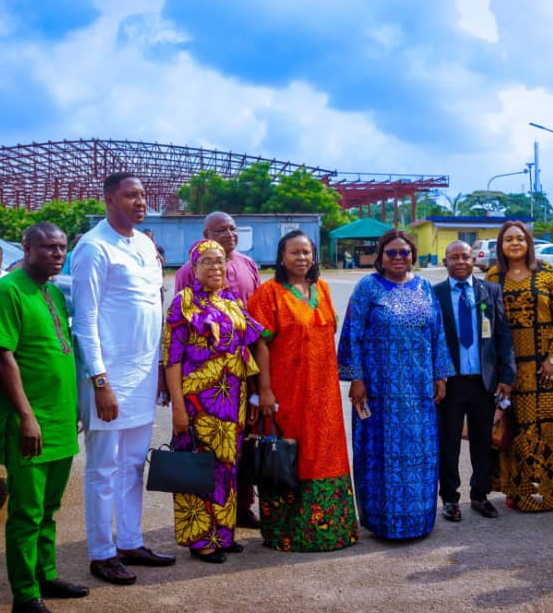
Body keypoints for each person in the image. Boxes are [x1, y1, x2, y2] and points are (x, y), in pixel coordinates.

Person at [72, 174, 175, 585]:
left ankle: (131, 542)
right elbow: (85, 321)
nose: (141, 201)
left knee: (132, 466)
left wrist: (161, 370)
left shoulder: (145, 244)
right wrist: (100, 383)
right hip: (109, 380)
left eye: (143, 195)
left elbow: (154, 308)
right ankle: (101, 553)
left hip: (143, 376)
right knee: (103, 469)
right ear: (109, 199)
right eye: (131, 195)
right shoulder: (93, 247)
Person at [0, 223, 88, 613]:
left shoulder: (53, 292)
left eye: (62, 247)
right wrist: (26, 416)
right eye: (48, 247)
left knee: (48, 509)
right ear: (26, 247)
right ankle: (25, 593)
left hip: (60, 420)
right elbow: (2, 356)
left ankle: (46, 574)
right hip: (29, 422)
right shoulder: (7, 291)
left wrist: (73, 408)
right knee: (26, 512)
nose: (57, 254)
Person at [248, 230, 359, 550]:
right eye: (294, 252)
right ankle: (287, 533)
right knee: (291, 454)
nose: (301, 258)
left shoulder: (322, 288)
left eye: (306, 252)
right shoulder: (268, 294)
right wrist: (264, 390)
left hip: (323, 394)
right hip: (288, 391)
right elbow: (260, 345)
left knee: (325, 455)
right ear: (281, 257)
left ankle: (331, 531)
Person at [338, 229, 453, 539]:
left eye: (404, 252)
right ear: (381, 256)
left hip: (418, 390)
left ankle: (418, 520)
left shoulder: (424, 287)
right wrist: (356, 379)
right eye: (392, 252)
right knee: (380, 455)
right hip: (379, 391)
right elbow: (352, 334)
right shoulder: (367, 287)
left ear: (413, 255)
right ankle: (382, 521)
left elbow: (437, 333)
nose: (399, 257)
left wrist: (440, 375)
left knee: (420, 455)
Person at [165, 239, 263, 563]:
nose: (214, 267)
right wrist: (178, 407)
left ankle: (223, 534)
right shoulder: (183, 303)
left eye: (219, 261)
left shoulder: (231, 301)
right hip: (198, 402)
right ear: (193, 268)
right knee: (199, 467)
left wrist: (252, 397)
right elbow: (172, 359)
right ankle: (201, 540)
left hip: (232, 401)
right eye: (206, 261)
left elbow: (247, 350)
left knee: (228, 467)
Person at [485, 221, 553, 512]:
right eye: (508, 239)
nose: (514, 243)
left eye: (520, 238)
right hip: (510, 371)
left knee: (552, 431)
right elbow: (487, 324)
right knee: (517, 431)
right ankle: (519, 490)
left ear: (528, 243)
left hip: (546, 370)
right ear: (501, 245)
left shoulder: (547, 274)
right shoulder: (493, 277)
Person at [432, 240, 515, 521]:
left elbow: (503, 336)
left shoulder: (490, 291)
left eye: (465, 257)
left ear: (473, 260)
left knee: (482, 442)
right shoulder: (436, 294)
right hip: (450, 383)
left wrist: (507, 376)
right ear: (445, 262)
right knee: (449, 443)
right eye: (454, 257)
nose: (460, 262)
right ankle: (450, 499)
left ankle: (480, 495)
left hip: (484, 382)